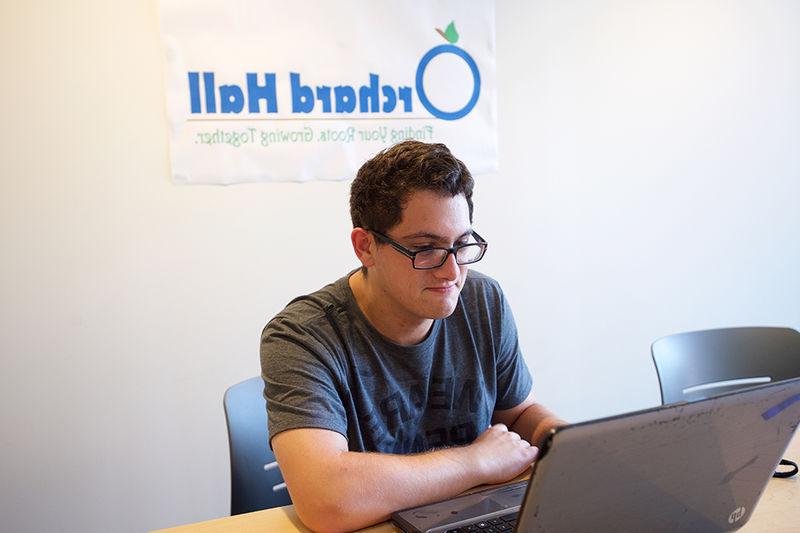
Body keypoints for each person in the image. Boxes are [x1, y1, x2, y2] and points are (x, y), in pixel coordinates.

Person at [261, 140, 564, 532]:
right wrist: (476, 462)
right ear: (365, 247)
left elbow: (519, 413)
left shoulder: (483, 300)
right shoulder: (302, 336)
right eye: (426, 249)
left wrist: (568, 446)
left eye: (461, 245)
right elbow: (328, 500)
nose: (451, 272)